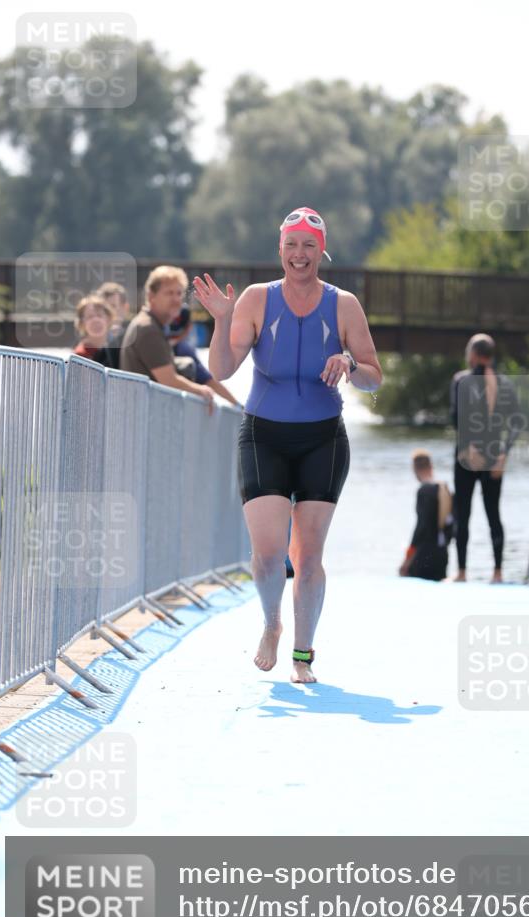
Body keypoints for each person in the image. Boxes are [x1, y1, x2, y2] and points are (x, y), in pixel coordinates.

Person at [192, 208, 383, 683]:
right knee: (268, 553)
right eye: (292, 245)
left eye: (309, 246)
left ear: (322, 251)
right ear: (280, 249)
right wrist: (221, 320)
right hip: (264, 436)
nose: (300, 255)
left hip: (323, 439)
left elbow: (374, 378)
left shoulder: (345, 306)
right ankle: (272, 622)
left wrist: (349, 363)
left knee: (310, 556)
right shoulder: (257, 300)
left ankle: (303, 655)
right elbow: (221, 370)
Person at [449, 333, 522, 583]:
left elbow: (456, 417)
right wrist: (504, 453)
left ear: (473, 354)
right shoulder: (505, 384)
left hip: (467, 456)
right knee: (494, 514)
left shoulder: (461, 380)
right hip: (494, 456)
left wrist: (469, 446)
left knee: (463, 513)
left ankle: (461, 572)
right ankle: (498, 573)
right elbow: (517, 423)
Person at [120, 265, 214, 407]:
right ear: (151, 296)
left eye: (179, 293)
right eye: (169, 293)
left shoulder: (150, 324)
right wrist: (203, 391)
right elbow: (169, 380)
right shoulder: (148, 328)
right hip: (144, 415)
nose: (176, 300)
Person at [168, 306, 242, 407]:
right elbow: (209, 381)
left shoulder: (158, 339)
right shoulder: (183, 348)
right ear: (189, 327)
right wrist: (237, 405)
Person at [399, 450, 453, 581]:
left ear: (415, 469)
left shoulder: (424, 490)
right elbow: (451, 524)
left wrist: (407, 559)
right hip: (442, 554)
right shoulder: (444, 488)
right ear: (431, 466)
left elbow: (421, 527)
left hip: (424, 555)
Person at [73, 295, 119, 366]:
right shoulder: (80, 356)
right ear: (82, 323)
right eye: (90, 317)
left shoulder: (116, 351)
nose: (96, 321)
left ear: (109, 319)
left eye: (99, 315)